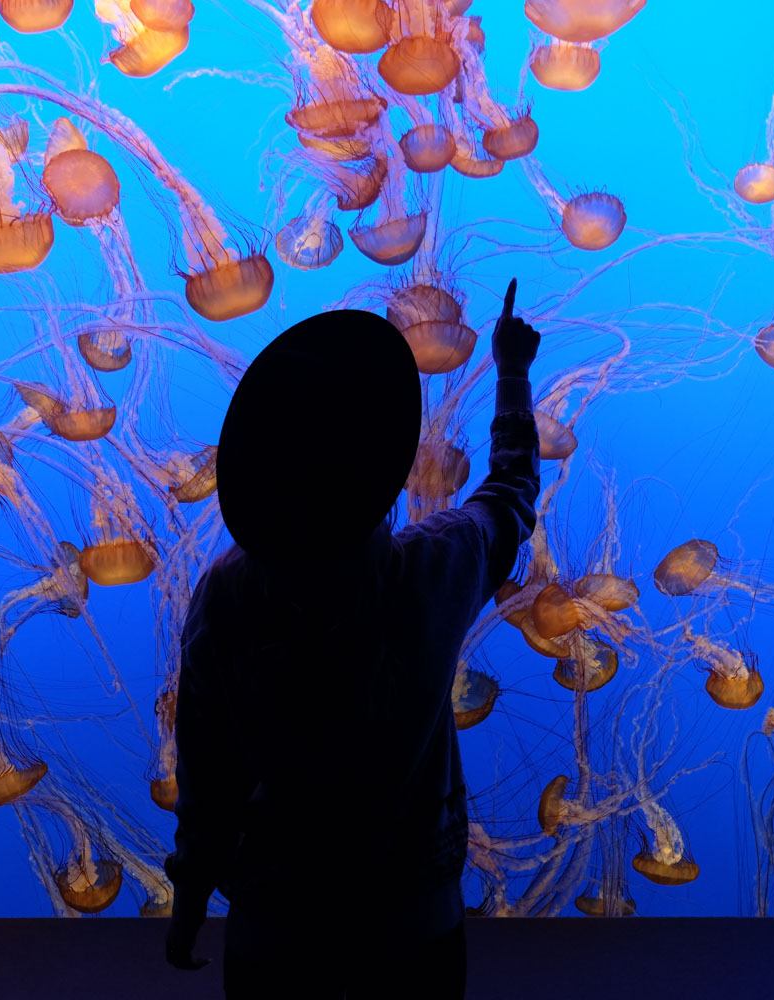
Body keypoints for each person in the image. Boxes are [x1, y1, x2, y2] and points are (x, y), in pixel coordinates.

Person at [164, 279, 541, 997]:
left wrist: (189, 899)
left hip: (275, 940)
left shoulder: (229, 595)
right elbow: (510, 496)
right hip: (414, 933)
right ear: (379, 462)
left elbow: (205, 772)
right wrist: (513, 373)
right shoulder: (433, 571)